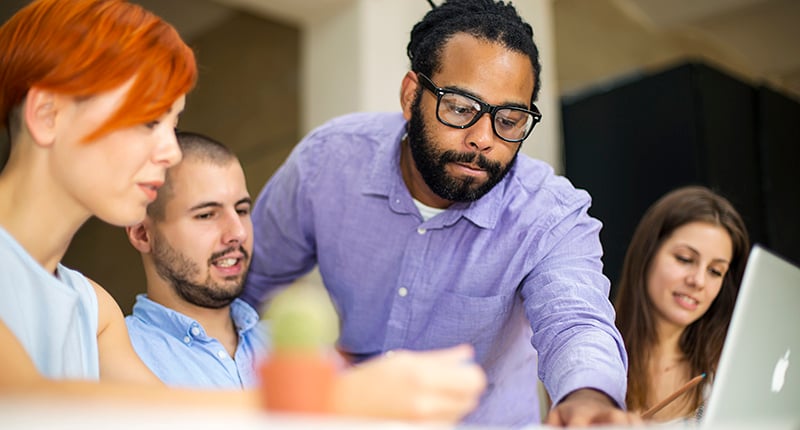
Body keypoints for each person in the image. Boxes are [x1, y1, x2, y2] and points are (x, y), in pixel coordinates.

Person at [0, 0, 485, 421]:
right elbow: (24, 402)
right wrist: (332, 400)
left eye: (173, 125)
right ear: (48, 115)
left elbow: (158, 417)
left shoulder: (92, 307)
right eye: (148, 121)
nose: (169, 152)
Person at [243, 0, 638, 426]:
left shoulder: (548, 212)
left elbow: (575, 321)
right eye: (461, 108)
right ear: (412, 94)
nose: (483, 138)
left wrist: (590, 396)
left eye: (509, 120)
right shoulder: (327, 162)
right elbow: (251, 286)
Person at [124, 131, 268, 389]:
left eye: (242, 210)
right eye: (206, 215)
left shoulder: (297, 352)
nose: (238, 233)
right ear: (142, 234)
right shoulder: (112, 359)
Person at [614, 186, 750, 423]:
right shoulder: (587, 357)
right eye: (685, 259)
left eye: (715, 271)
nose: (697, 281)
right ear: (648, 253)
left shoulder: (727, 374)